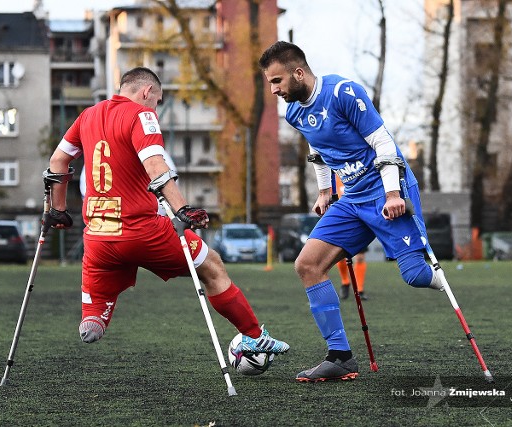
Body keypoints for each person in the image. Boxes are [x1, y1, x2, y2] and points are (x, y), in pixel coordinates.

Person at [43, 67, 289, 360]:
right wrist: (182, 209)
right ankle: (254, 337)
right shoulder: (142, 115)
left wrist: (58, 210)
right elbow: (155, 165)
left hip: (97, 238)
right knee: (211, 265)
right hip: (143, 232)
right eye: (157, 101)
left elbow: (58, 160)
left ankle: (95, 316)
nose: (155, 108)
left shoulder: (87, 116)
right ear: (147, 92)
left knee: (98, 294)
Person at [259, 41, 443, 382]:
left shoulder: (344, 92)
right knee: (308, 265)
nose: (274, 90)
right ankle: (340, 357)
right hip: (352, 197)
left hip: (386, 192)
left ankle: (438, 274)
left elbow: (384, 142)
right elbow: (319, 149)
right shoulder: (295, 112)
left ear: (298, 73)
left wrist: (391, 194)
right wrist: (326, 190)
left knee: (416, 276)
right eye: (270, 83)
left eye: (277, 81)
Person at [333, 175, 368, 301]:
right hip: (341, 220)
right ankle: (345, 282)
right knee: (339, 255)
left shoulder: (358, 173)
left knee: (360, 257)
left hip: (359, 219)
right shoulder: (333, 176)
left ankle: (359, 289)